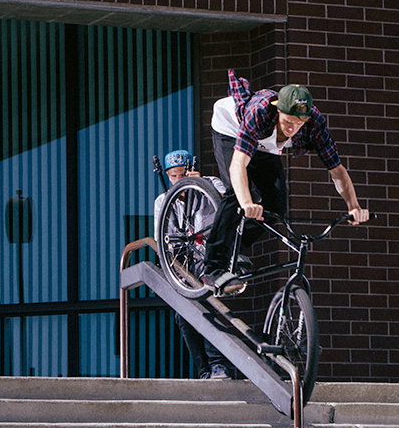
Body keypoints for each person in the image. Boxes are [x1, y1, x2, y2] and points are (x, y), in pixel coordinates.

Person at [205, 70, 370, 295]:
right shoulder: (260, 112)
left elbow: (337, 170)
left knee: (276, 206)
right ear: (278, 110)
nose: (292, 129)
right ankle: (212, 268)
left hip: (266, 145)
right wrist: (247, 203)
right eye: (287, 121)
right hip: (230, 129)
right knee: (237, 194)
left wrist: (353, 206)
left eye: (299, 123)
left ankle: (234, 248)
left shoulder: (314, 123)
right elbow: (237, 165)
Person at [153, 149, 232, 380]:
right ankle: (204, 369)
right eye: (174, 176)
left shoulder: (210, 183)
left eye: (183, 174)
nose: (179, 180)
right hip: (183, 262)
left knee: (207, 307)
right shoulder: (163, 201)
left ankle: (218, 364)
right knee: (183, 315)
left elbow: (229, 202)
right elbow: (162, 238)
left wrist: (201, 185)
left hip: (210, 257)